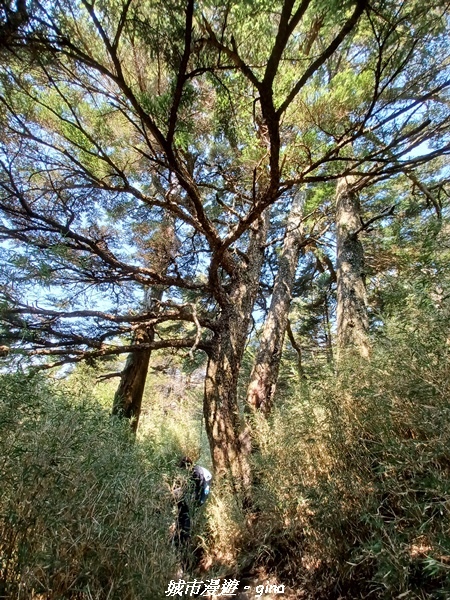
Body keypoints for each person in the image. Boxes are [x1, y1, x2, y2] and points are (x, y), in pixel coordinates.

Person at [174, 457, 212, 553]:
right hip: (200, 482)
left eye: (182, 468)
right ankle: (183, 531)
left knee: (200, 503)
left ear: (187, 466)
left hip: (205, 481)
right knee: (188, 504)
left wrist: (199, 501)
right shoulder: (190, 472)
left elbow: (201, 487)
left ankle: (193, 530)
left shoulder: (196, 472)